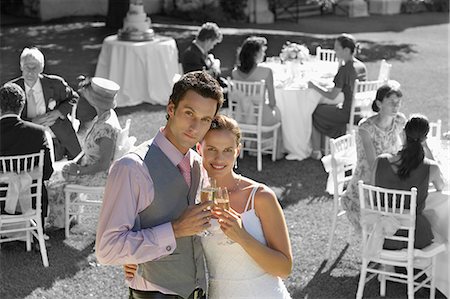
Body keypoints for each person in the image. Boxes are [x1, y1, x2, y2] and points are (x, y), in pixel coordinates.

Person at [124, 114, 293, 298]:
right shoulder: (191, 198)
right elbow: (171, 238)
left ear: (237, 151)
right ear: (199, 148)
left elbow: (284, 268)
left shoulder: (260, 197)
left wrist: (242, 236)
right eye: (211, 149)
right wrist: (136, 259)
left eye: (228, 150)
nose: (219, 158)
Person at [95, 71, 224, 299]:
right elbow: (107, 250)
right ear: (171, 109)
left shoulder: (196, 164)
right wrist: (174, 230)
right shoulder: (131, 168)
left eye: (205, 119)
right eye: (189, 113)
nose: (196, 127)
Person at [46, 77, 122, 229]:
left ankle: (60, 222)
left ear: (95, 100)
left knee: (52, 180)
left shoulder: (106, 127)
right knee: (57, 172)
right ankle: (67, 217)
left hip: (99, 175)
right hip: (91, 167)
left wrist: (79, 170)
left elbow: (103, 164)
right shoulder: (105, 116)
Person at [341, 81, 407, 232]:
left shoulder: (399, 121)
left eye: (398, 102)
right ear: (379, 103)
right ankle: (384, 242)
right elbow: (373, 163)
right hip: (367, 183)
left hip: (392, 177)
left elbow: (406, 148)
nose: (396, 106)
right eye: (391, 102)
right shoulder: (366, 127)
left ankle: (394, 243)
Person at [373, 115, 445, 249]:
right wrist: (425, 147)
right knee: (441, 228)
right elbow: (441, 187)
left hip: (383, 234)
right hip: (415, 237)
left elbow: (373, 193)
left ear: (403, 134)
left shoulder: (380, 161)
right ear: (424, 139)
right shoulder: (431, 168)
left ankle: (394, 266)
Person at [0, 82, 54, 236]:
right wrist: (27, 176)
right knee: (39, 186)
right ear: (22, 106)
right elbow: (47, 172)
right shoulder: (38, 133)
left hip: (2, 202)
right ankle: (37, 233)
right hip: (31, 202)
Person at [309, 33, 367, 159]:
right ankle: (336, 144)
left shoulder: (345, 69)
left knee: (315, 111)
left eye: (337, 48)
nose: (334, 51)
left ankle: (316, 151)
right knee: (326, 109)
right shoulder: (361, 66)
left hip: (346, 113)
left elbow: (332, 96)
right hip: (360, 111)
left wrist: (314, 86)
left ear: (346, 50)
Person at [231, 36, 284, 159]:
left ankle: (254, 146)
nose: (264, 53)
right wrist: (272, 108)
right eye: (262, 51)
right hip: (261, 118)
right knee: (279, 112)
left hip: (242, 116)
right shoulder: (267, 71)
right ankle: (277, 151)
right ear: (255, 54)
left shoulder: (235, 72)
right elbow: (272, 101)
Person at [181, 22, 229, 93]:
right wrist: (215, 67)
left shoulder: (199, 52)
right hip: (198, 93)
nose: (212, 47)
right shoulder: (191, 54)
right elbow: (200, 79)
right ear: (208, 40)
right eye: (213, 44)